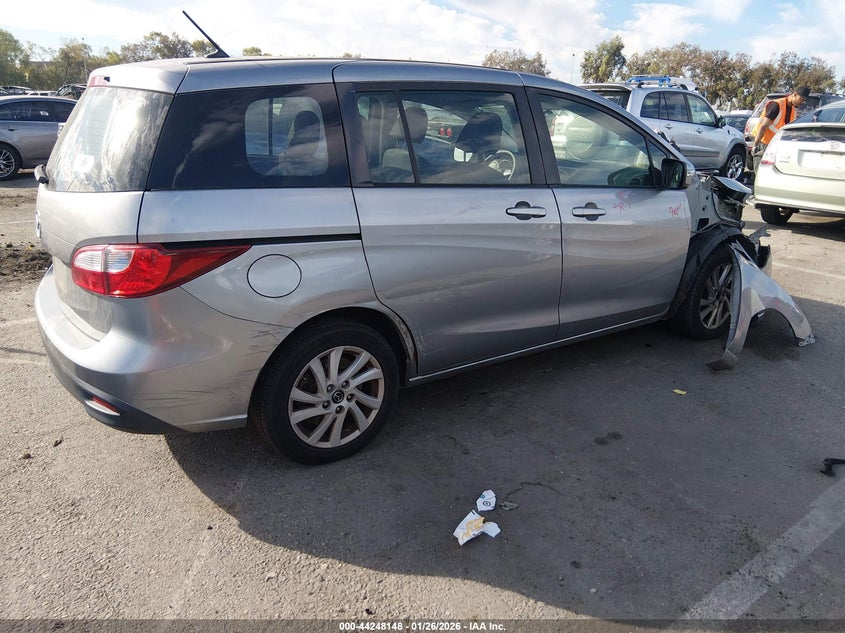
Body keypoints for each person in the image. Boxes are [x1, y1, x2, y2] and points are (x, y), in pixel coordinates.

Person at [750, 86, 810, 170]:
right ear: (795, 94)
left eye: (804, 101)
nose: (802, 102)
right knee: (760, 172)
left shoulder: (793, 110)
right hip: (763, 144)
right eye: (801, 99)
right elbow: (763, 126)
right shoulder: (776, 105)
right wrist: (755, 145)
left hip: (775, 146)